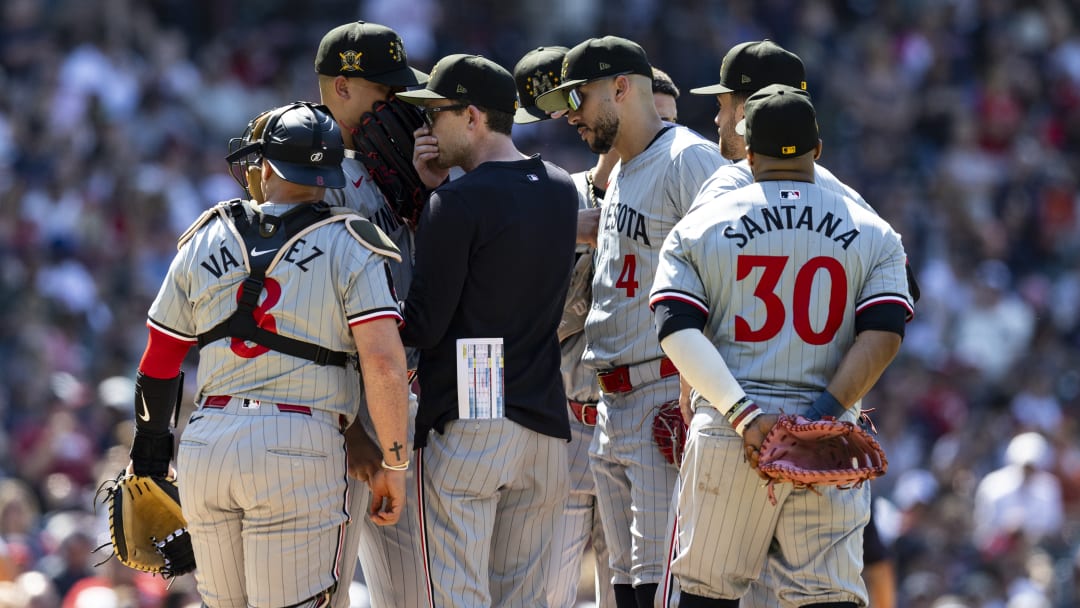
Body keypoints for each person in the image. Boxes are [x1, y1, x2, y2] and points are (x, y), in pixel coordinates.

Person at [131, 101, 411, 608]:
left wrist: (148, 454)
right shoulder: (351, 241)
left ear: (265, 167)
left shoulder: (206, 234)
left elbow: (161, 358)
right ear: (325, 176)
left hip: (206, 444)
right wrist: (395, 459)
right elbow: (384, 364)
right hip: (297, 443)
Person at [650, 84, 914, 607]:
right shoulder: (875, 231)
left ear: (748, 152)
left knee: (707, 595)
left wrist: (747, 417)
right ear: (818, 150)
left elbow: (676, 328)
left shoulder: (699, 225)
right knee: (828, 598)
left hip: (732, 430)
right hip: (830, 433)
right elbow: (884, 334)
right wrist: (820, 418)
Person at [535, 36, 725, 608]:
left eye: (582, 97)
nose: (572, 114)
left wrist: (699, 393)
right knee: (626, 583)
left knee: (664, 581)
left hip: (665, 388)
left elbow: (727, 275)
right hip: (613, 399)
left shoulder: (687, 158)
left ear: (621, 87)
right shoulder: (622, 171)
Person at [397, 53, 579, 607]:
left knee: (457, 597)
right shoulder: (561, 187)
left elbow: (425, 326)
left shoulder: (455, 201)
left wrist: (431, 199)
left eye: (437, 115)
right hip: (545, 421)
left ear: (472, 117)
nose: (427, 129)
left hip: (473, 416)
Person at [311, 21, 431, 608]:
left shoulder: (385, 168)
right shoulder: (308, 173)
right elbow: (304, 326)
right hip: (337, 408)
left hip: (390, 396)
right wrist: (352, 427)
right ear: (340, 88)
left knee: (410, 595)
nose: (396, 106)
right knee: (319, 591)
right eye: (384, 93)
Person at [513, 45, 614, 608]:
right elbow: (530, 322)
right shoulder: (564, 195)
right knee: (544, 594)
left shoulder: (682, 203)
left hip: (648, 425)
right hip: (567, 419)